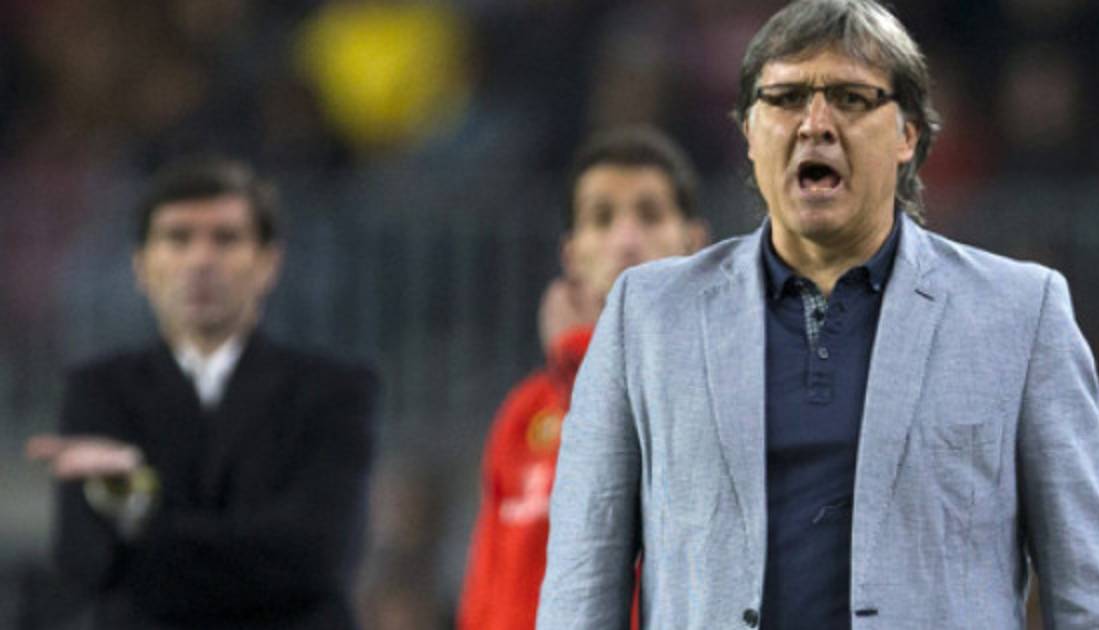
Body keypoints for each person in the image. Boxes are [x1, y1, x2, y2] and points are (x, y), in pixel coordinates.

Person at [537, 2, 1099, 629]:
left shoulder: (1021, 314)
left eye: (851, 99)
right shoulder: (647, 315)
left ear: (907, 134)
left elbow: (1093, 598)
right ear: (749, 133)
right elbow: (580, 587)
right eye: (786, 98)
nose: (815, 124)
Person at [25, 158, 378, 629]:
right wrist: (250, 548)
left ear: (269, 263)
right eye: (178, 238)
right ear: (140, 266)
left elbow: (318, 557)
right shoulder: (97, 391)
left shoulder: (335, 389)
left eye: (226, 238)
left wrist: (140, 509)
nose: (201, 260)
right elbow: (86, 563)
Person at [457, 127, 708, 630]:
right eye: (602, 218)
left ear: (694, 242)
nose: (627, 241)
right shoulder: (525, 411)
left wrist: (579, 357)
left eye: (650, 215)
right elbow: (485, 595)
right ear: (571, 254)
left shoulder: (716, 389)